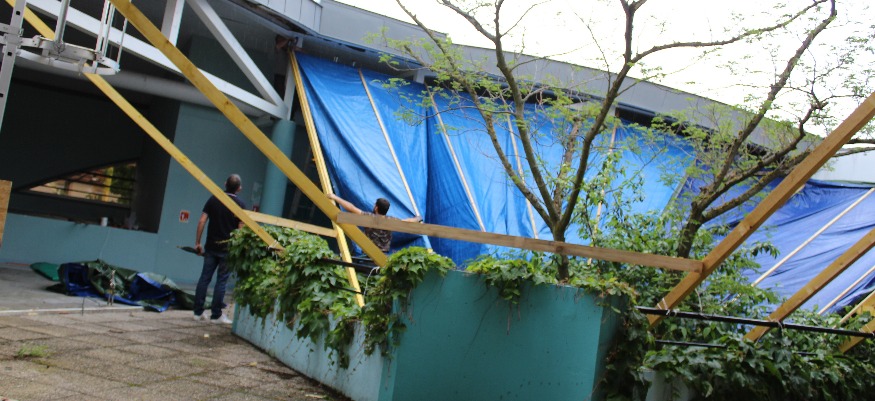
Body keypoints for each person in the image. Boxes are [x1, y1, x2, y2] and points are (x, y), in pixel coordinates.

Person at [193, 174, 245, 324]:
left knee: (204, 278)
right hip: (227, 249)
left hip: (211, 246)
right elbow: (241, 229)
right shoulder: (240, 205)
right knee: (221, 282)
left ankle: (197, 312)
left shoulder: (213, 199)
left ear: (225, 183)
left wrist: (198, 242)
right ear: (239, 188)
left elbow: (202, 221)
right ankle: (216, 315)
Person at [328, 193, 421, 253]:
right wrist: (418, 218)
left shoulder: (369, 218)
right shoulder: (391, 221)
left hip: (368, 255)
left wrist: (334, 197)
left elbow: (351, 208)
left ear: (376, 208)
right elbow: (408, 221)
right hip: (382, 256)